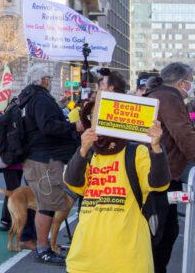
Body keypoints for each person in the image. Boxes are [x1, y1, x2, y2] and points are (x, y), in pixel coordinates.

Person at [64, 120, 170, 273]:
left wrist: (156, 147)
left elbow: (159, 184)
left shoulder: (136, 151)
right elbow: (73, 183)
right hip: (83, 259)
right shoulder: (90, 152)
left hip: (128, 261)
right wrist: (82, 150)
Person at [18, 64, 80, 265]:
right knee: (46, 206)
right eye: (49, 78)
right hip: (45, 158)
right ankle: (43, 249)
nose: (50, 81)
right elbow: (47, 127)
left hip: (38, 157)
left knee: (44, 205)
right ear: (43, 80)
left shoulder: (27, 98)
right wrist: (73, 126)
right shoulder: (40, 98)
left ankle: (41, 246)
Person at [145, 63, 195, 272]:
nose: (192, 84)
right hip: (161, 174)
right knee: (161, 232)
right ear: (182, 82)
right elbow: (183, 133)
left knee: (167, 230)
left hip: (161, 171)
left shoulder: (156, 94)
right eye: (191, 79)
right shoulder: (169, 98)